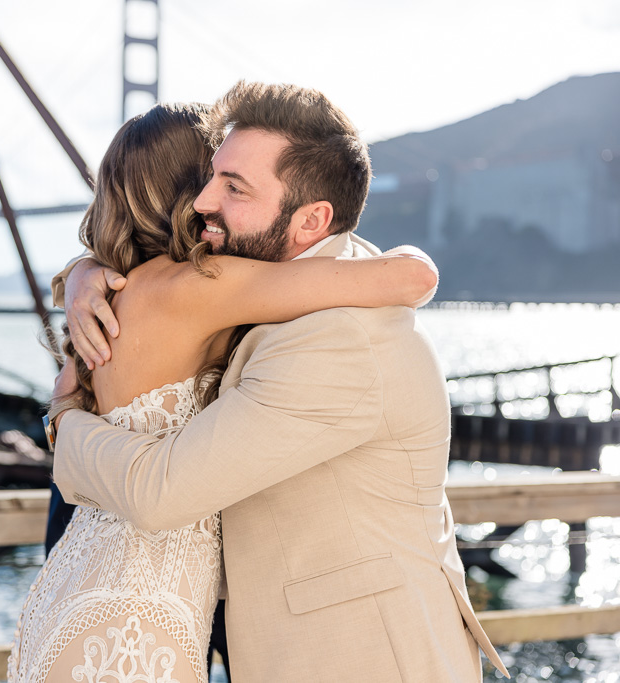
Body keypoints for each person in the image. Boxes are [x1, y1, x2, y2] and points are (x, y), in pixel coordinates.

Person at [48, 82, 512, 683]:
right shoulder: (297, 280)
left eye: (233, 187)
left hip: (361, 659)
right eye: (210, 178)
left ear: (312, 219)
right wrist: (86, 271)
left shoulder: (335, 339)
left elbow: (161, 493)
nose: (202, 202)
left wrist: (64, 422)